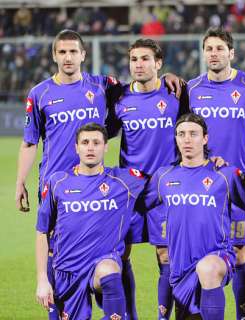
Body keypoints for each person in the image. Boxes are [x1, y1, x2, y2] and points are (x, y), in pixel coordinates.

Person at [16, 29, 182, 320]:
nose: (68, 58)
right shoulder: (39, 93)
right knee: (59, 253)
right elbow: (30, 141)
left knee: (115, 254)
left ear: (83, 55)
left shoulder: (103, 86)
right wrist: (20, 182)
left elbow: (140, 83)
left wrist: (168, 76)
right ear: (54, 56)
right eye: (62, 52)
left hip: (103, 181)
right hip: (57, 183)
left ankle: (125, 314)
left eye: (73, 52)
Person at [186, 27, 245, 319]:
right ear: (204, 54)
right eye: (209, 49)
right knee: (200, 257)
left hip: (237, 186)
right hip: (199, 186)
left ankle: (244, 316)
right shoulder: (192, 89)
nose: (214, 54)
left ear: (231, 53)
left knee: (241, 254)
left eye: (220, 49)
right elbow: (180, 131)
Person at [138, 113, 245, 319]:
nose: (187, 139)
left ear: (205, 138)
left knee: (208, 268)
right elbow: (136, 203)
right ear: (176, 139)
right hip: (180, 270)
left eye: (193, 134)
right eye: (181, 134)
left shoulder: (224, 174)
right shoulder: (163, 177)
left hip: (218, 257)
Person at [107, 38, 189, 320]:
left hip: (166, 190)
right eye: (134, 59)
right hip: (129, 191)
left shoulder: (176, 95)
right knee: (120, 255)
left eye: (145, 59)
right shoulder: (118, 99)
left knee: (166, 256)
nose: (138, 64)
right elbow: (102, 133)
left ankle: (163, 317)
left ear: (158, 63)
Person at [35, 123, 146, 320]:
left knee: (110, 269)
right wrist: (42, 280)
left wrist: (211, 163)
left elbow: (165, 181)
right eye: (85, 142)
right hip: (66, 271)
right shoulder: (57, 182)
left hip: (101, 264)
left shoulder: (124, 181)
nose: (90, 147)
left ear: (105, 147)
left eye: (96, 142)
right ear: (76, 147)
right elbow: (42, 232)